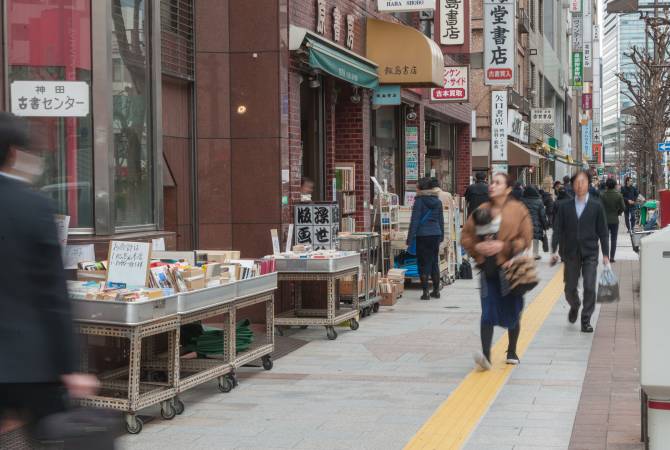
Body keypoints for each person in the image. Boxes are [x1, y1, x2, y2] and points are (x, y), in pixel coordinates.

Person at [0, 113, 99, 438]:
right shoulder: (34, 207)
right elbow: (54, 295)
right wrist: (70, 367)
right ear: (14, 152)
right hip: (31, 365)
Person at [461, 172, 533, 369]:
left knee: (513, 309)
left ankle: (511, 350)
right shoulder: (482, 209)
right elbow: (466, 237)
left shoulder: (518, 210)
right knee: (487, 311)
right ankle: (486, 355)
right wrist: (478, 248)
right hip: (488, 270)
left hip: (510, 270)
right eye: (492, 182)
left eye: (497, 183)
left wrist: (505, 247)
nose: (492, 186)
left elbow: (526, 238)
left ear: (508, 188)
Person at [551, 170, 610, 333]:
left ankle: (586, 319)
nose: (580, 185)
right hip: (570, 253)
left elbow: (603, 232)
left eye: (583, 181)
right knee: (570, 288)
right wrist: (554, 250)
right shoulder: (564, 207)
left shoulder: (596, 206)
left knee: (590, 286)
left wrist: (605, 254)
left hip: (590, 252)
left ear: (588, 184)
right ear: (572, 185)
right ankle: (575, 305)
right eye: (577, 182)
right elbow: (557, 229)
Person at [407, 177, 445, 300]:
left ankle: (425, 293)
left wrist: (410, 237)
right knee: (434, 262)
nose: (416, 187)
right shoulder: (437, 201)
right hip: (436, 234)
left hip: (423, 235)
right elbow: (441, 221)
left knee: (423, 263)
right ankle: (436, 291)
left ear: (422, 187)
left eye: (417, 185)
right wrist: (442, 236)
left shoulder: (419, 201)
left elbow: (415, 220)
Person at [600, 178, 625, 262]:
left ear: (607, 186)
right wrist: (618, 212)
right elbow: (623, 207)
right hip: (614, 220)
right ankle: (612, 257)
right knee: (614, 239)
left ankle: (606, 257)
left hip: (604, 220)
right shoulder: (618, 195)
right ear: (614, 185)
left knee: (605, 239)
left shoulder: (602, 195)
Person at [522, 186, 548, 260]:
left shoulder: (522, 200)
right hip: (536, 222)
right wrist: (545, 224)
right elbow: (542, 215)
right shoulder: (539, 201)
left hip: (524, 223)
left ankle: (526, 253)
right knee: (535, 239)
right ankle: (535, 254)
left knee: (525, 238)